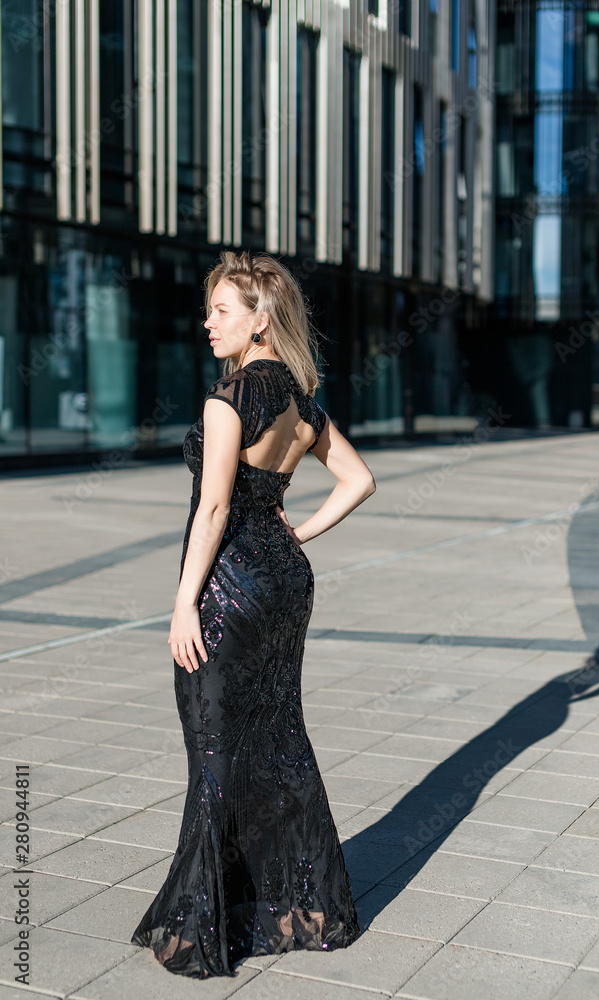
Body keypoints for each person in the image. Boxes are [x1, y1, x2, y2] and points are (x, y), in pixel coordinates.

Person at [130, 250, 376, 978]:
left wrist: (182, 603)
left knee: (214, 750)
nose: (207, 323)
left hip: (229, 586)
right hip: (284, 582)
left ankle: (203, 922)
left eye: (222, 311)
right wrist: (294, 533)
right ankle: (306, 904)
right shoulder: (302, 401)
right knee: (278, 738)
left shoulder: (227, 397)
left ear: (259, 320)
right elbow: (358, 481)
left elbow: (212, 507)